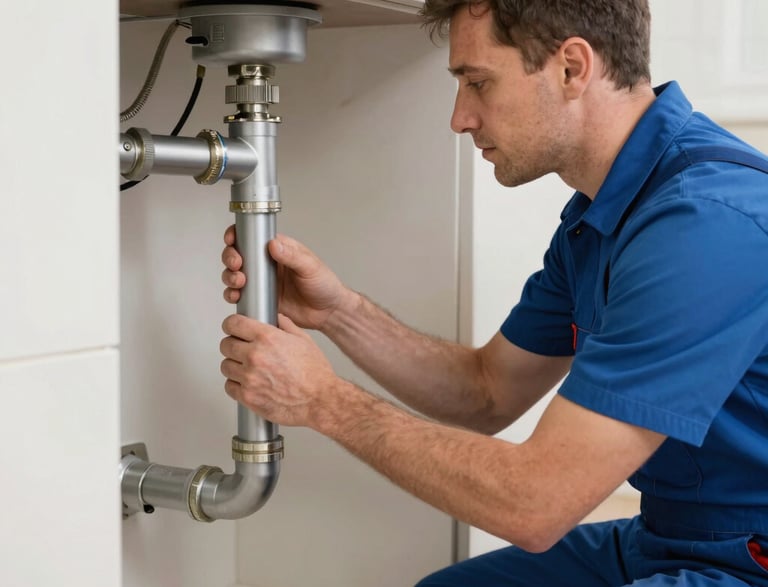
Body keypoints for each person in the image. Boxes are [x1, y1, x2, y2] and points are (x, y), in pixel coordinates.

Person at [218, 1, 768, 585]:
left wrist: (323, 401)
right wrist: (340, 313)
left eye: (478, 83)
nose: (460, 117)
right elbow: (487, 391)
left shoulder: (704, 224)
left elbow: (536, 504)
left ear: (572, 68)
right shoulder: (604, 217)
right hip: (668, 537)